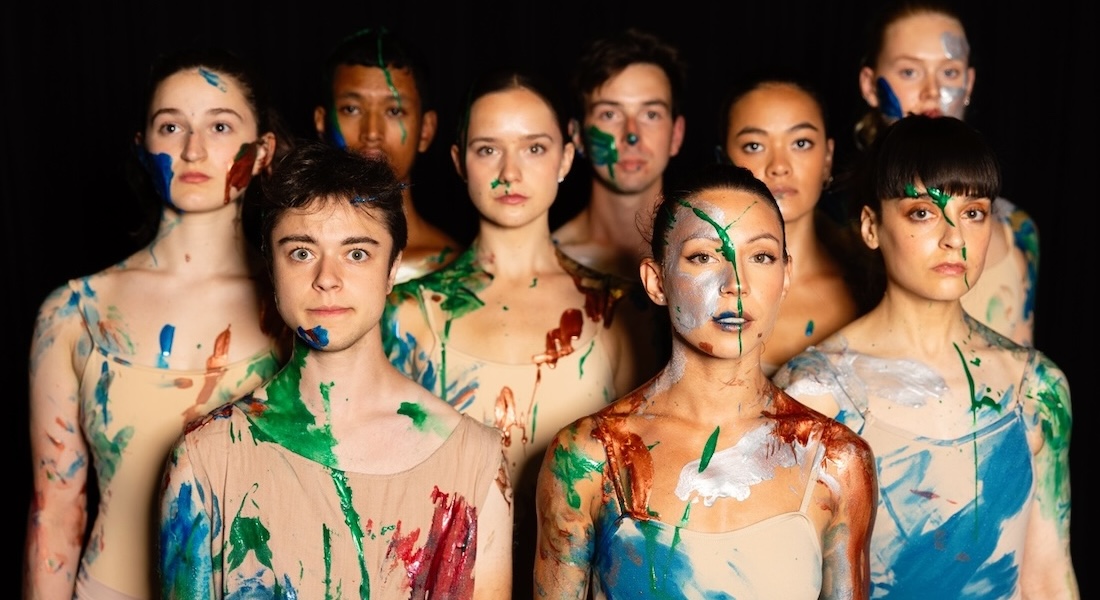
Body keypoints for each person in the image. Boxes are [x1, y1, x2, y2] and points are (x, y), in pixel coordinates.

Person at [157, 141, 513, 599]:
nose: (328, 278)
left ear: (392, 269)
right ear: (271, 266)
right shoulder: (205, 457)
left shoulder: (474, 458)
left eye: (357, 253)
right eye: (302, 252)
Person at [534, 162, 878, 599]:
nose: (736, 283)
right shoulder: (589, 456)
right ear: (656, 282)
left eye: (761, 256)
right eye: (703, 256)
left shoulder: (837, 462)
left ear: (785, 276)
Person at [23, 48, 291, 599]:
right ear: (143, 146)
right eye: (171, 126)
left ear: (263, 150)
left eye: (220, 125)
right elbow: (55, 514)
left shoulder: (298, 311)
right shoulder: (74, 312)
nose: (193, 149)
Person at [774, 115, 1077, 598]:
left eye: (973, 212)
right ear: (871, 226)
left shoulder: (1037, 388)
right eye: (922, 212)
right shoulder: (815, 393)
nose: (954, 237)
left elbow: (1049, 577)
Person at [381, 67, 643, 597]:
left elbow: (641, 497)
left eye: (534, 148)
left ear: (567, 156)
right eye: (487, 149)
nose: (510, 171)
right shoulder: (408, 312)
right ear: (459, 162)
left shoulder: (621, 311)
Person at [851, 0, 1038, 345]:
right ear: (869, 85)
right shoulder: (837, 226)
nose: (932, 93)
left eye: (949, 73)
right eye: (910, 71)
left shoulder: (1018, 229)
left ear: (968, 83)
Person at [719, 73, 874, 376]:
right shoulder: (698, 287)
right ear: (724, 160)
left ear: (828, 156)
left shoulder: (870, 283)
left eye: (801, 143)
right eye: (754, 146)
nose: (779, 166)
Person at [313, 26, 458, 283]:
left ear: (426, 130)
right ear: (321, 123)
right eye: (352, 109)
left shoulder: (455, 271)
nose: (371, 132)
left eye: (394, 111)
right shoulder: (292, 261)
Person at [552, 27, 688, 283]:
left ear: (676, 134)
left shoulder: (706, 254)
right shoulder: (547, 262)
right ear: (578, 135)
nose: (631, 136)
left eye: (651, 115)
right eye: (609, 114)